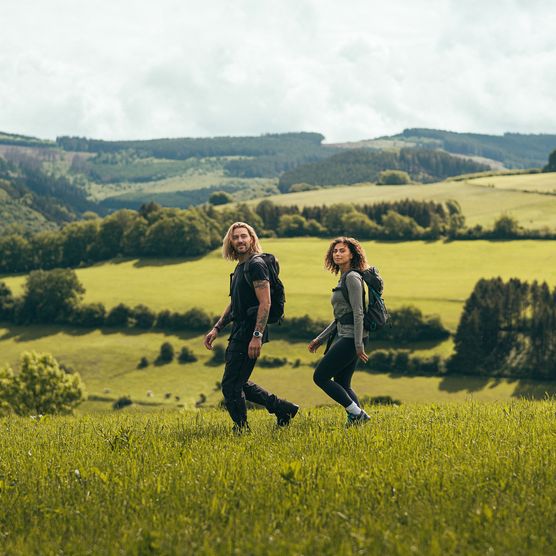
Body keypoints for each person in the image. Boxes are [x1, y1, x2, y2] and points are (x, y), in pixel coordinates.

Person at [204, 222, 299, 431]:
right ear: (230, 241)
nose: (240, 240)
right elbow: (235, 303)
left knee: (230, 385)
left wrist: (257, 336)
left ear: (252, 239)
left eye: (244, 236)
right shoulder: (240, 267)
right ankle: (284, 409)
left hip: (250, 330)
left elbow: (265, 303)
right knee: (240, 381)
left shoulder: (256, 265)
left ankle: (242, 429)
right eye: (236, 237)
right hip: (240, 328)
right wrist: (217, 328)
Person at [308, 237, 371, 425]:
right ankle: (358, 420)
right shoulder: (344, 277)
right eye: (335, 251)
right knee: (343, 383)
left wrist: (358, 344)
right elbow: (341, 317)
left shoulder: (352, 277)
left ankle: (357, 414)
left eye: (342, 250)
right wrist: (320, 339)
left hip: (352, 338)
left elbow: (358, 312)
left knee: (320, 377)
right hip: (347, 335)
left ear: (352, 254)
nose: (337, 254)